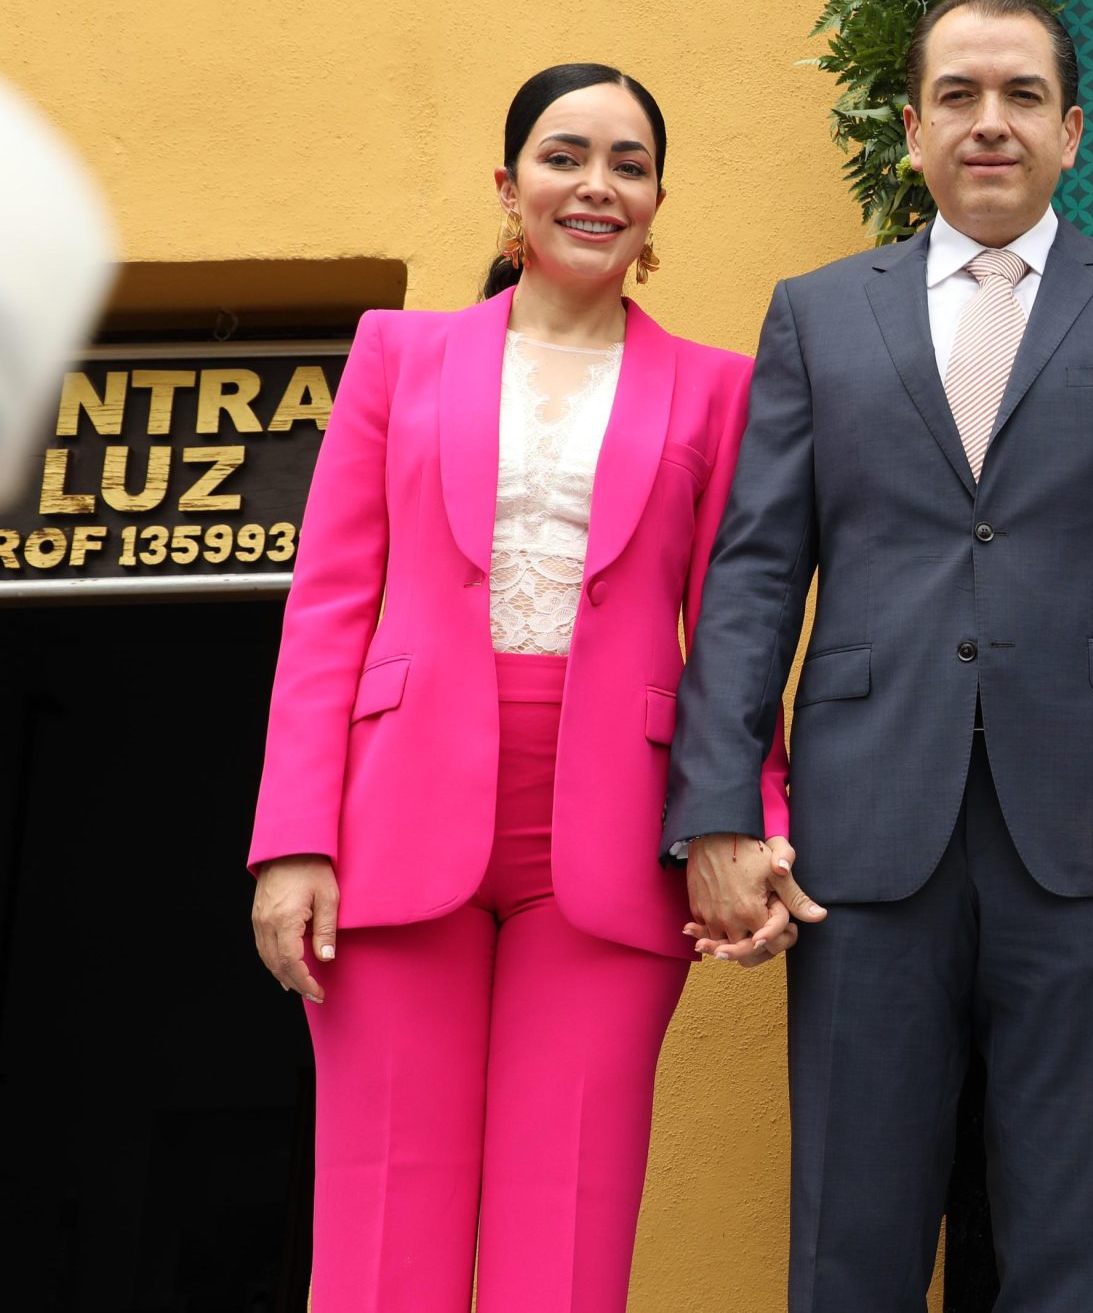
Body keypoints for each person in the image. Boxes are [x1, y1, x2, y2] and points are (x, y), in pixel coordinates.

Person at [666, 0, 1093, 1313]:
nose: (989, 122)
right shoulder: (817, 315)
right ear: (912, 130)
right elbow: (752, 579)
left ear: (1072, 129)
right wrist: (718, 809)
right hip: (861, 844)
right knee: (852, 1236)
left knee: (1073, 1247)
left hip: (1092, 834)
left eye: (1020, 96)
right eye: (958, 95)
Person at [246, 64, 795, 1313]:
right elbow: (328, 602)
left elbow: (735, 636)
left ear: (657, 202)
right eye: (564, 156)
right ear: (510, 187)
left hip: (611, 835)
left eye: (629, 164)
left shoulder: (718, 387)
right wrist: (291, 838)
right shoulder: (398, 354)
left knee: (570, 1233)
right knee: (386, 1224)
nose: (596, 185)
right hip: (394, 822)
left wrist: (753, 822)